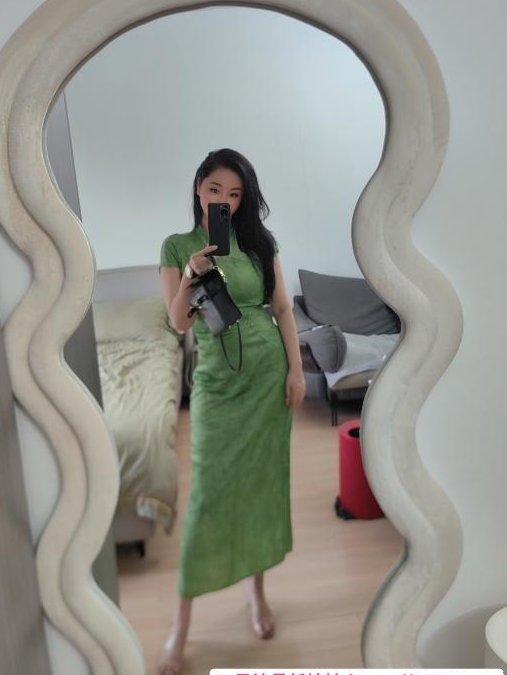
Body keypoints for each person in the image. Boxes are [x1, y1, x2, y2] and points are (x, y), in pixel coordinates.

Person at [158, 148, 305, 675]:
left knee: (259, 487)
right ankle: (180, 627)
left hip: (267, 377)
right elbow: (178, 323)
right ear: (199, 187)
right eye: (216, 190)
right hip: (217, 386)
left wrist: (296, 371)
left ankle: (255, 593)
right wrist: (192, 274)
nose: (225, 200)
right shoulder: (177, 246)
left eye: (236, 194)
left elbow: (281, 308)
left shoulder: (261, 243)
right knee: (208, 496)